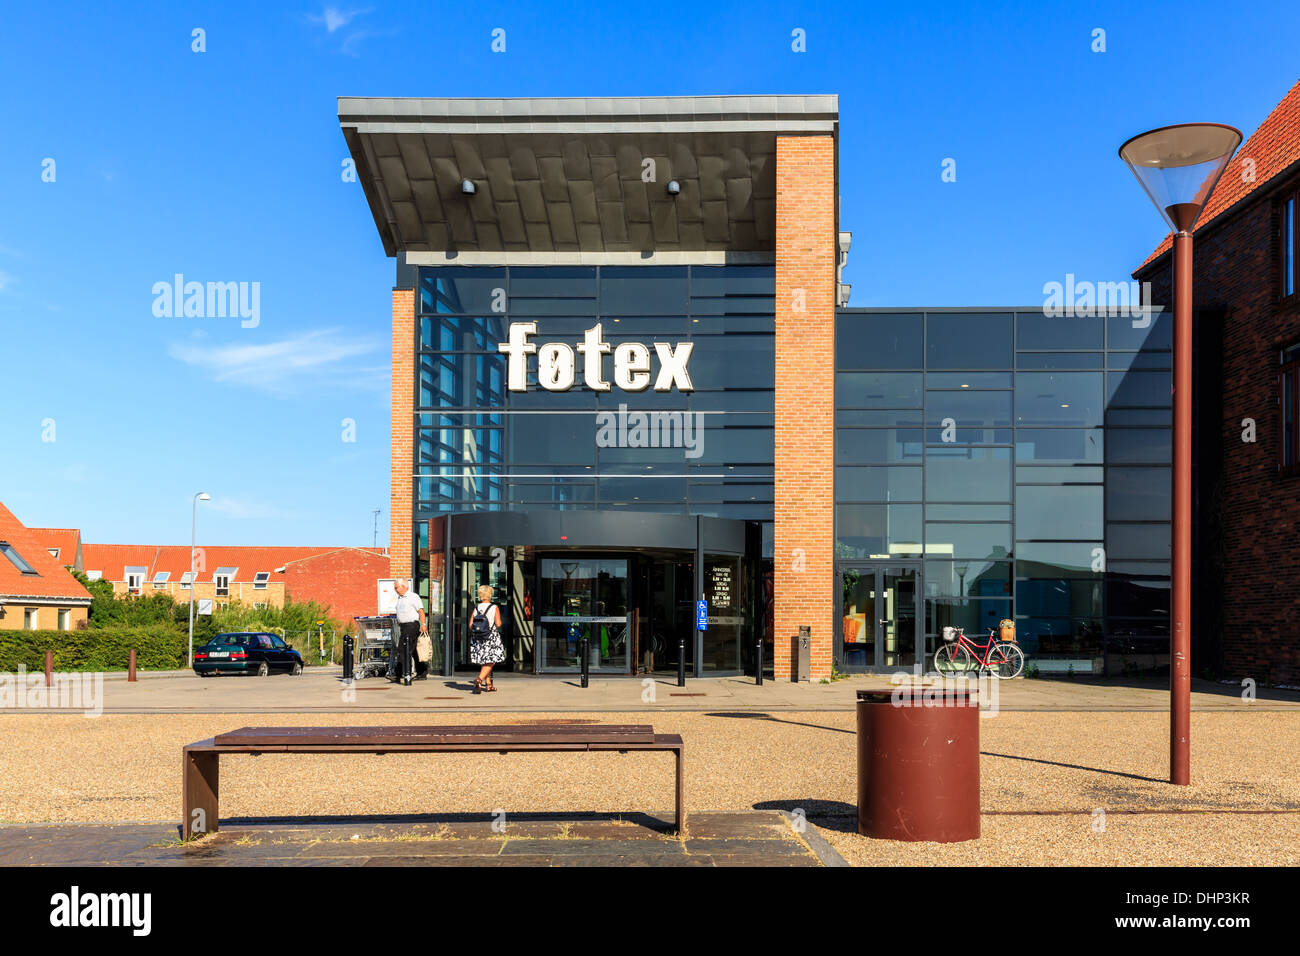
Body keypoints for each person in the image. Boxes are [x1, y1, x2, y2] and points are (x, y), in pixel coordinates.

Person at [469, 584, 505, 693]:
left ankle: (488, 684)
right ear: (490, 595)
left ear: (480, 595)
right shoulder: (494, 607)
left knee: (485, 660)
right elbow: (498, 623)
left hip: (479, 637)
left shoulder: (477, 608)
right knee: (492, 660)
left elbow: (471, 625)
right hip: (491, 637)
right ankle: (479, 680)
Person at [392, 579, 426, 686]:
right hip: (403, 626)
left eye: (397, 587)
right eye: (395, 587)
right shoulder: (399, 598)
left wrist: (423, 624)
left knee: (403, 649)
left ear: (404, 586)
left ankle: (400, 673)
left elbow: (420, 611)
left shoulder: (413, 597)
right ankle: (422, 672)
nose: (395, 589)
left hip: (411, 626)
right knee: (414, 649)